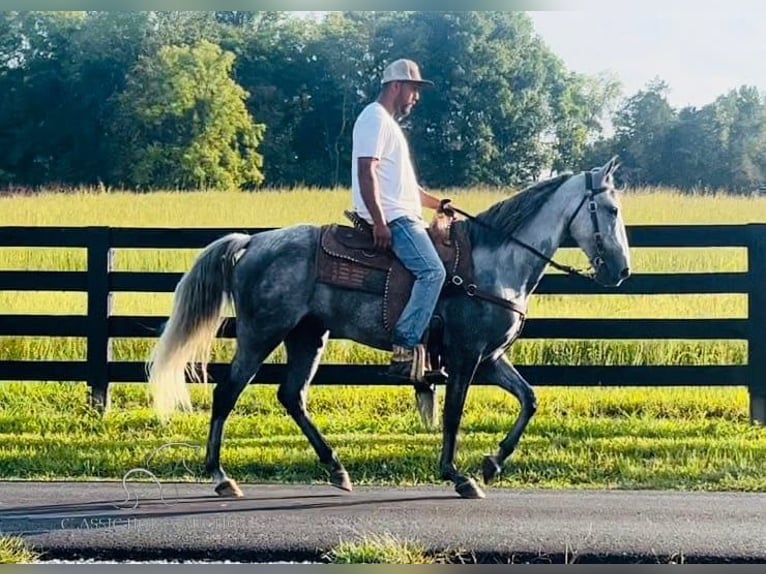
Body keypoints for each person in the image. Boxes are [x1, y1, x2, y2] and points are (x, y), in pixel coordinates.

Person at [350, 58, 453, 382]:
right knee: (433, 271)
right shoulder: (374, 118)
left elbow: (407, 187)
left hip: (401, 213)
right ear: (396, 86)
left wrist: (440, 204)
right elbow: (366, 171)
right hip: (395, 219)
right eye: (413, 89)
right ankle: (405, 346)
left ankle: (432, 351)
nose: (416, 97)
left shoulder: (387, 124)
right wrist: (379, 221)